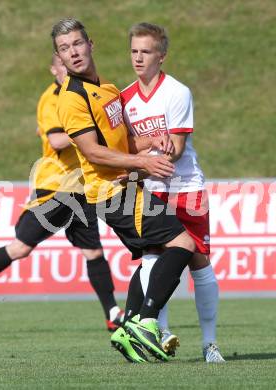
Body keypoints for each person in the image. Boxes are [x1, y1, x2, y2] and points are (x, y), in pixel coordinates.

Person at [52, 17, 196, 363]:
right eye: (64, 49)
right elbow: (92, 151)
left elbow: (124, 139)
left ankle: (127, 327)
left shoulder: (109, 89)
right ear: (59, 56)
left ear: (91, 45)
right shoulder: (72, 98)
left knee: (153, 257)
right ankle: (146, 323)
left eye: (77, 44)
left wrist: (152, 140)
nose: (72, 53)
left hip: (124, 186)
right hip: (112, 192)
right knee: (182, 244)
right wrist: (144, 163)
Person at [0, 54, 124, 333]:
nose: (68, 69)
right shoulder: (52, 99)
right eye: (62, 65)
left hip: (80, 188)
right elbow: (56, 140)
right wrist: (88, 131)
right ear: (53, 69)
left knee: (93, 252)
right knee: (20, 248)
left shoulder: (80, 95)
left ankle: (112, 313)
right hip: (56, 188)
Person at [121, 22, 225, 362]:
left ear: (161, 56)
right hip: (151, 190)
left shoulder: (177, 92)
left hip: (186, 188)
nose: (138, 57)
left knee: (199, 262)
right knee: (153, 258)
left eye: (146, 51)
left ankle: (210, 344)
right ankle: (159, 333)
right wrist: (143, 156)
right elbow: (125, 145)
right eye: (134, 50)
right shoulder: (124, 99)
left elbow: (177, 149)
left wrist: (164, 149)